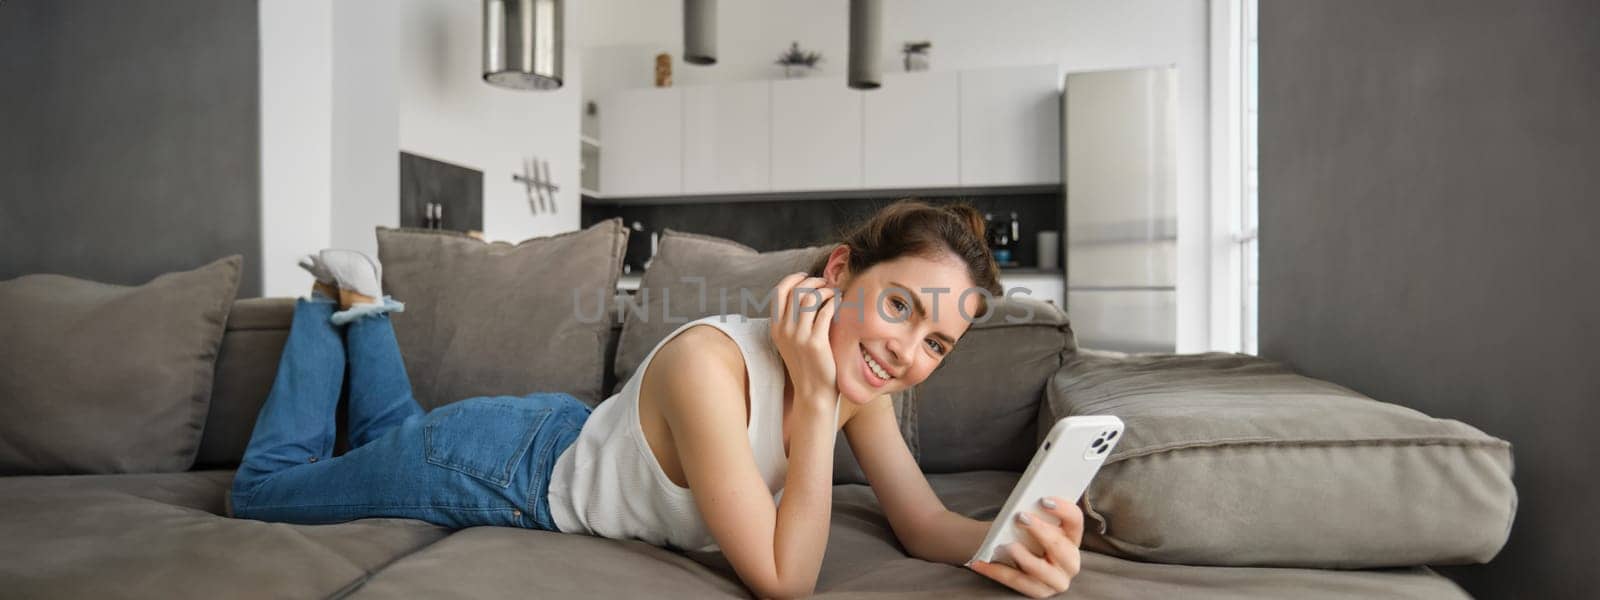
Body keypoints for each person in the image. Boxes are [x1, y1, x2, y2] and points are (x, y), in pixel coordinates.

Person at [230, 200, 1084, 598]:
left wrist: (1012, 539)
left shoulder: (855, 382)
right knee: (263, 491)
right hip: (501, 468)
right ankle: (321, 306)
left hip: (552, 436)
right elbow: (786, 580)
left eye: (936, 342)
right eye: (899, 306)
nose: (905, 351)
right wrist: (820, 406)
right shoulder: (708, 367)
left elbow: (926, 524)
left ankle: (365, 310)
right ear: (836, 276)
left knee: (393, 433)